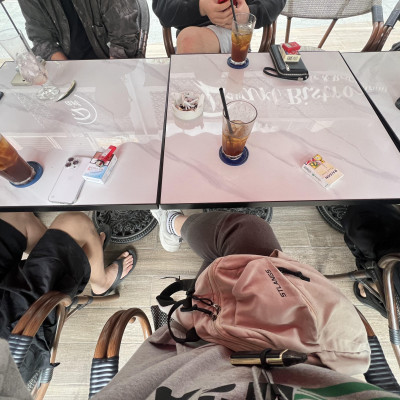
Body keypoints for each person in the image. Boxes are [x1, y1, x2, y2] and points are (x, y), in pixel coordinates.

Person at [90, 210, 399, 399]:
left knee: (246, 234)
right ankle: (179, 226)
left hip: (192, 348)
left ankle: (174, 223)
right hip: (305, 358)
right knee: (245, 241)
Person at [0, 211, 136, 340]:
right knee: (76, 223)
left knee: (14, 214)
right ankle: (101, 284)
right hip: (17, 326)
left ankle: (80, 253)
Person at [17, 0, 141, 60]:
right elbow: (41, 39)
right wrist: (70, 78)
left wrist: (109, 76)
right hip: (66, 66)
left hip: (110, 61)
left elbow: (124, 37)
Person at [152, 0, 286, 54]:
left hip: (233, 34)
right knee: (188, 41)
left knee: (189, 41)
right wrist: (200, 7)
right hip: (189, 39)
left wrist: (248, 13)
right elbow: (163, 7)